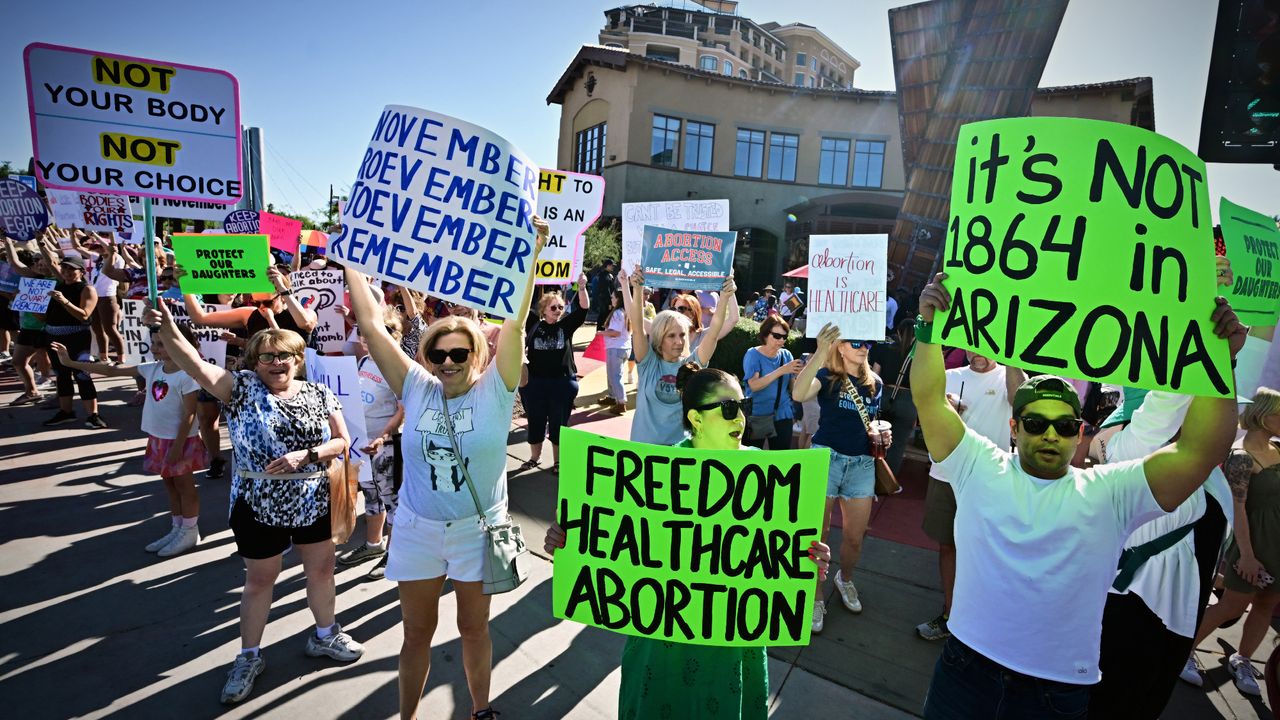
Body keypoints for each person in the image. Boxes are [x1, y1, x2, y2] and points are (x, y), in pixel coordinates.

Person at [910, 272, 1244, 719]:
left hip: (1056, 691)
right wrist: (929, 327)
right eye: (1035, 423)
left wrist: (1218, 361)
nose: (1050, 434)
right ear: (1014, 426)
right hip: (965, 671)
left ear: (1080, 433)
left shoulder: (1110, 492)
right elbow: (930, 399)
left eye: (1064, 425)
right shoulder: (977, 464)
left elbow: (1199, 451)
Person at [544, 365, 832, 719]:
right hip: (662, 649)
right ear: (695, 417)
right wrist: (568, 537)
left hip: (732, 648)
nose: (739, 417)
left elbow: (774, 557)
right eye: (728, 408)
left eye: (742, 405)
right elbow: (615, 538)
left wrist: (806, 561)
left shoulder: (768, 477)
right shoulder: (654, 473)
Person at [344, 218, 547, 720]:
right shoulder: (416, 385)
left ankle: (480, 709)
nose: (448, 360)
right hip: (417, 528)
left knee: (474, 629)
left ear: (478, 355)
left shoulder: (496, 392)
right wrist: (350, 251)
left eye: (459, 352)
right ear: (427, 356)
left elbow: (516, 325)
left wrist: (533, 253)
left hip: (477, 532)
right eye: (438, 353)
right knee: (416, 635)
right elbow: (370, 325)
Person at [143, 303, 363, 706]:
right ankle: (248, 657)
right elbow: (194, 365)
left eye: (284, 355)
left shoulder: (319, 391)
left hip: (312, 497)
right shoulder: (240, 389)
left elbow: (341, 442)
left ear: (298, 359)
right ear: (255, 360)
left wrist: (307, 455)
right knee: (261, 580)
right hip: (256, 502)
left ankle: (326, 634)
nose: (276, 363)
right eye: (267, 356)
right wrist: (169, 327)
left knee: (322, 570)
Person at [1083, 387, 1233, 717]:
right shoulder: (1131, 449)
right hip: (1131, 604)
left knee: (1139, 696)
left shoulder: (1212, 484)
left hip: (1165, 605)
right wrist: (1206, 359)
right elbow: (1163, 413)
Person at [51, 324, 208, 556]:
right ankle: (177, 528)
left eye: (161, 344)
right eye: (153, 343)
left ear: (179, 344)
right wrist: (70, 363)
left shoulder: (187, 376)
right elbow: (111, 371)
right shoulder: (153, 368)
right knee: (170, 485)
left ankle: (190, 531)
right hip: (158, 439)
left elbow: (190, 414)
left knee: (185, 487)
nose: (154, 348)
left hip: (181, 441)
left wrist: (177, 447)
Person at [792, 323, 891, 632]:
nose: (864, 348)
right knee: (817, 536)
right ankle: (816, 595)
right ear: (841, 345)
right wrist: (821, 349)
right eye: (856, 342)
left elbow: (872, 422)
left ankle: (844, 578)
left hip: (862, 465)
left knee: (854, 537)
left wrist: (882, 435)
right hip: (827, 459)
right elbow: (798, 393)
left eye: (868, 343)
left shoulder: (875, 381)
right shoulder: (826, 376)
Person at [916, 351, 1021, 641]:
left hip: (987, 480)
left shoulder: (1008, 377)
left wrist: (1011, 356)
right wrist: (943, 413)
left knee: (986, 552)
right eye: (973, 346)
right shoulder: (951, 377)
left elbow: (1018, 401)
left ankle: (980, 621)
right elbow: (925, 419)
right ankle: (950, 614)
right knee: (948, 546)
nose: (977, 353)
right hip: (945, 475)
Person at [1183, 387, 1280, 697]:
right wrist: (1247, 556)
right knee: (1232, 605)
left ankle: (1242, 659)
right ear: (1264, 416)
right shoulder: (1240, 457)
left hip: (1277, 544)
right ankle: (1183, 653)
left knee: (1265, 604)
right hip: (1249, 543)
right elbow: (1237, 509)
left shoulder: (1279, 451)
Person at [623, 266, 735, 445]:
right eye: (671, 336)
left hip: (680, 456)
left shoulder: (693, 365)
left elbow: (713, 331)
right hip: (643, 453)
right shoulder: (648, 361)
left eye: (682, 335)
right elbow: (637, 326)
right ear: (659, 339)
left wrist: (725, 295)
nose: (679, 341)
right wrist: (637, 289)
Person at [337, 311, 406, 580]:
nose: (363, 338)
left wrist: (383, 435)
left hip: (385, 447)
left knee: (393, 502)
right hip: (361, 444)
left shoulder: (397, 366)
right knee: (371, 496)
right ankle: (373, 545)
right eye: (361, 333)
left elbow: (404, 409)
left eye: (369, 333)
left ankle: (395, 553)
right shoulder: (365, 360)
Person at [519, 275, 589, 470]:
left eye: (560, 307)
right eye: (553, 307)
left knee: (559, 423)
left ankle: (558, 461)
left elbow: (584, 308)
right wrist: (526, 280)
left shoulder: (565, 325)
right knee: (535, 421)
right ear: (543, 310)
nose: (558, 310)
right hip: (535, 384)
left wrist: (582, 287)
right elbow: (520, 305)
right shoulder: (533, 323)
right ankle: (535, 458)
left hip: (561, 383)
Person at [40, 253, 104, 428]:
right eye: (65, 268)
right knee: (61, 375)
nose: (67, 271)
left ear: (81, 271)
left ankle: (93, 415)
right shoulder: (57, 287)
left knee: (82, 374)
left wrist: (64, 301)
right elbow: (45, 318)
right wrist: (31, 307)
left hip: (77, 338)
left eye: (71, 269)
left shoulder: (87, 289)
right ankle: (66, 412)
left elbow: (84, 316)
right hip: (53, 336)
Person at [182, 266, 318, 348]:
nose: (262, 307)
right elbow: (200, 318)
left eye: (267, 302)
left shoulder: (306, 313)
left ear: (282, 296)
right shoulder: (251, 314)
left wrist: (282, 288)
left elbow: (302, 326)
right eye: (257, 303)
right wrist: (185, 284)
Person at [742, 315, 801, 449]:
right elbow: (754, 385)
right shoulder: (753, 354)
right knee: (753, 457)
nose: (781, 341)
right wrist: (781, 370)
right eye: (776, 336)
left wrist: (799, 375)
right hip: (758, 414)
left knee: (780, 460)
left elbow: (793, 390)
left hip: (783, 413)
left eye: (784, 337)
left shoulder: (786, 355)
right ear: (765, 334)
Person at [869, 317, 917, 474]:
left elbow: (874, 375)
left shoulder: (884, 349)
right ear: (916, 335)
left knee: (877, 438)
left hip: (884, 395)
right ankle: (889, 480)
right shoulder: (920, 356)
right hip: (908, 400)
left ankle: (871, 474)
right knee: (898, 443)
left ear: (897, 332)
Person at [667, 289, 738, 352]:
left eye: (681, 309)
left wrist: (729, 290)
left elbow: (733, 319)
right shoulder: (663, 334)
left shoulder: (703, 337)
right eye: (673, 309)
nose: (675, 313)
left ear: (692, 313)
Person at [601, 290, 630, 414]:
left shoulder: (618, 313)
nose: (611, 299)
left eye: (613, 297)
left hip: (616, 347)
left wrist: (601, 333)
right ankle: (613, 397)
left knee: (615, 376)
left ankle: (621, 402)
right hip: (623, 347)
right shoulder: (625, 312)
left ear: (618, 299)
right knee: (614, 374)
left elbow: (616, 332)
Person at [592, 259, 618, 330]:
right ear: (608, 266)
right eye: (612, 265)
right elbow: (606, 290)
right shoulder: (603, 275)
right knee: (603, 316)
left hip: (607, 300)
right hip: (604, 300)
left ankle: (602, 330)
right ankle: (600, 331)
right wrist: (609, 302)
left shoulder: (608, 275)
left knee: (606, 316)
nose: (613, 267)